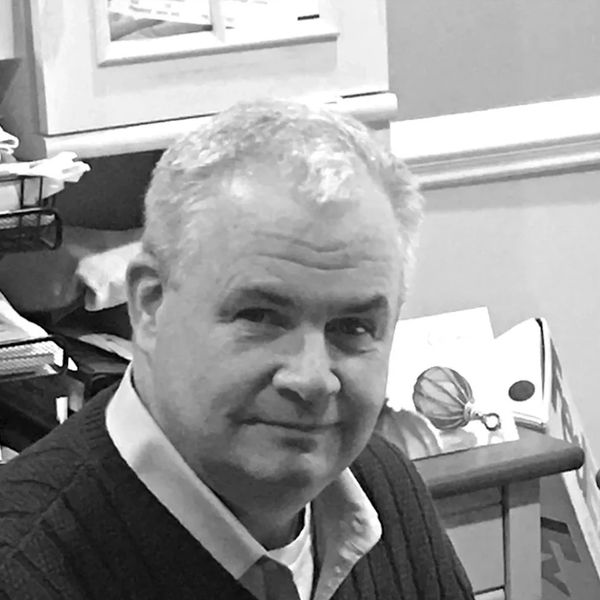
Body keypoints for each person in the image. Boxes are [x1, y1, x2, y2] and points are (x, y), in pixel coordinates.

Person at [0, 99, 474, 599]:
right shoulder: (20, 570)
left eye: (353, 327)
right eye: (261, 316)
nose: (312, 378)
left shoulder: (381, 488)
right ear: (150, 304)